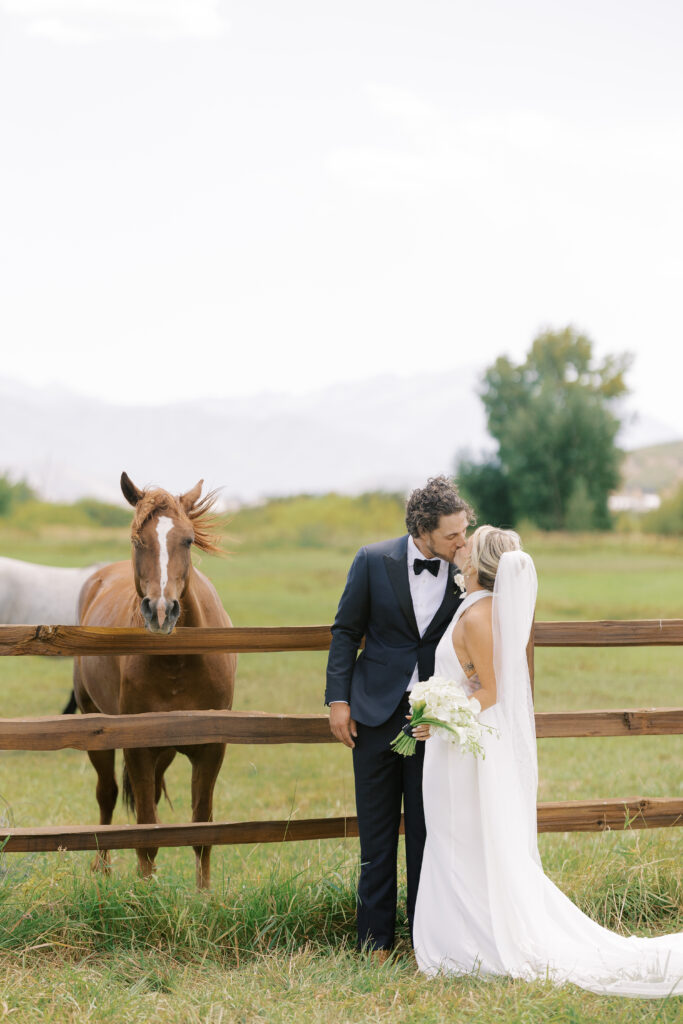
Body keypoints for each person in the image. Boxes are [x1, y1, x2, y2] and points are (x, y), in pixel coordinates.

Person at [412, 525, 683, 997]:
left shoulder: (478, 616)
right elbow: (474, 681)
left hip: (459, 747)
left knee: (460, 841)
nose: (461, 546)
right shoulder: (478, 608)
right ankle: (463, 936)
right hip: (456, 747)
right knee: (459, 841)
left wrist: (442, 718)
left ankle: (471, 943)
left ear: (477, 564)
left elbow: (489, 691)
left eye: (468, 544)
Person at [325, 476, 474, 961]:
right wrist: (338, 702)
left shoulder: (465, 569)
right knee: (377, 832)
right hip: (372, 714)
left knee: (429, 835)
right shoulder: (371, 560)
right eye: (453, 535)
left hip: (436, 721)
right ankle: (374, 943)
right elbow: (346, 631)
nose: (462, 542)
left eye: (464, 531)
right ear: (422, 529)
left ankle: (424, 941)